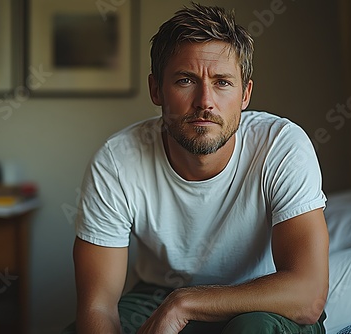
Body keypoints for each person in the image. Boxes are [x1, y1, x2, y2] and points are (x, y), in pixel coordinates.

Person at [63, 3, 329, 334]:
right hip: (157, 294)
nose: (205, 101)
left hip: (265, 295)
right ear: (156, 90)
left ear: (245, 94)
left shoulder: (281, 146)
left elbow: (309, 296)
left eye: (222, 82)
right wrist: (173, 302)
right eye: (186, 80)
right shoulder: (117, 161)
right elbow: (98, 305)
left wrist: (185, 302)